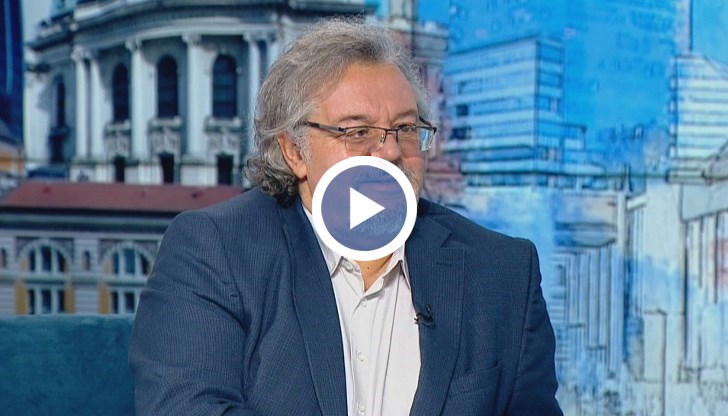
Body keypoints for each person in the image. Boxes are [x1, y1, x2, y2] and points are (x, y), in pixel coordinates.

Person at [128, 18, 563, 416]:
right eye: (357, 132)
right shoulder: (215, 252)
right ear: (295, 151)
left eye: (406, 129)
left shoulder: (503, 273)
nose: (390, 152)